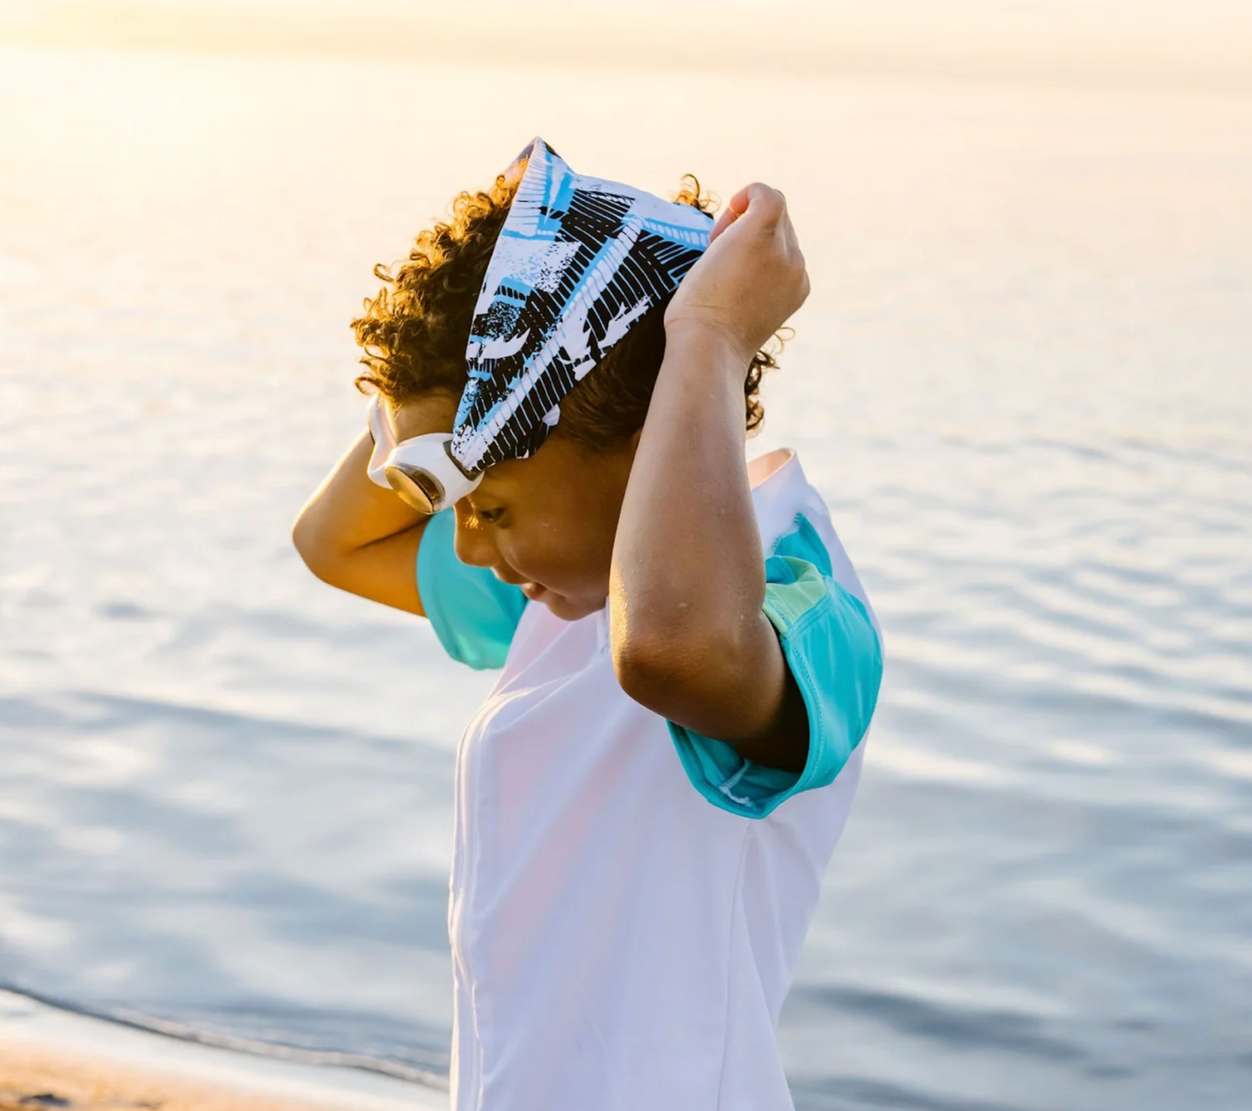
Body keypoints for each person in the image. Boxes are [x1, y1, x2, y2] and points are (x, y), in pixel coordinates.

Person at [292, 139, 883, 1111]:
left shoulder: (790, 594)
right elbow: (331, 542)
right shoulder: (566, 593)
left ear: (636, 433)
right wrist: (435, 383)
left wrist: (704, 339)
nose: (466, 548)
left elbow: (669, 650)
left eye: (491, 506)